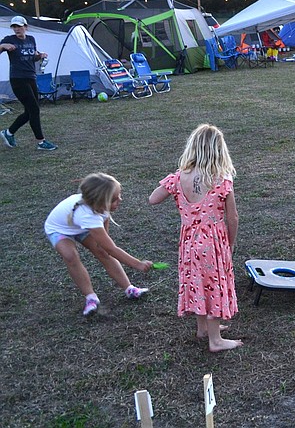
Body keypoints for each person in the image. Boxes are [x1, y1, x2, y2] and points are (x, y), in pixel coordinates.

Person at [149, 123, 242, 352]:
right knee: (214, 285)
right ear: (219, 151)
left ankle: (203, 329)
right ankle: (215, 340)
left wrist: (173, 183)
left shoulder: (179, 177)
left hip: (189, 242)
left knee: (199, 283)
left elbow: (153, 199)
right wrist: (230, 243)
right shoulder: (222, 180)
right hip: (213, 242)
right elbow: (233, 218)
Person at [44, 173, 152, 316]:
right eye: (114, 199)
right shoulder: (87, 215)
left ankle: (129, 288)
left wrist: (102, 246)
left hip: (82, 226)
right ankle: (91, 297)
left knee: (102, 252)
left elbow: (105, 241)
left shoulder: (100, 207)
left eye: (119, 195)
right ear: (99, 202)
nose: (120, 200)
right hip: (59, 229)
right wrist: (137, 264)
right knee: (71, 256)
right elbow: (112, 248)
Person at [0, 16, 58, 151]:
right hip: (18, 79)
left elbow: (33, 56)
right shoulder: (9, 39)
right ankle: (41, 141)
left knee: (29, 111)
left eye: (19, 26)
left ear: (26, 27)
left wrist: (40, 55)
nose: (16, 29)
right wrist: (3, 46)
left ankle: (8, 133)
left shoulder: (31, 39)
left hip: (31, 77)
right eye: (14, 27)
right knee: (34, 109)